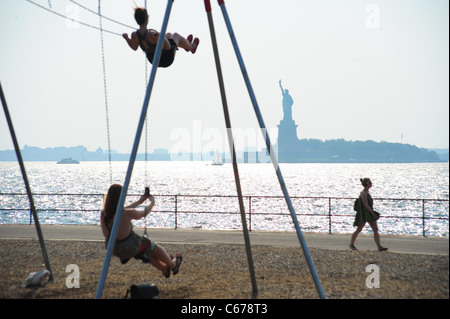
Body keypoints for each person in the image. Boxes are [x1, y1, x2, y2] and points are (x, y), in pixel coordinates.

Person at [100, 184, 182, 278]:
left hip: (114, 248)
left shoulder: (104, 214)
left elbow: (121, 210)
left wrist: (139, 202)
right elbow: (144, 212)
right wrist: (152, 203)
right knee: (154, 247)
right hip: (130, 247)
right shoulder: (128, 213)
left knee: (146, 252)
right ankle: (173, 266)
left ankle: (164, 269)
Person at [122, 7, 199, 68]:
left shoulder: (134, 35)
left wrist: (127, 38)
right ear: (146, 19)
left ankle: (185, 44)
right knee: (175, 36)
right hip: (165, 59)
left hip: (153, 60)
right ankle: (192, 47)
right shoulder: (152, 35)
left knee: (168, 34)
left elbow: (134, 47)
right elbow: (168, 46)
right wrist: (173, 45)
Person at [349, 178, 388, 251]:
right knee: (359, 229)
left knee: (375, 229)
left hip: (368, 213)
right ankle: (351, 244)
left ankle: (379, 247)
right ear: (367, 184)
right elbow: (365, 204)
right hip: (365, 214)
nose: (371, 184)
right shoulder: (363, 193)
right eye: (370, 182)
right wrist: (372, 213)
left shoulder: (367, 192)